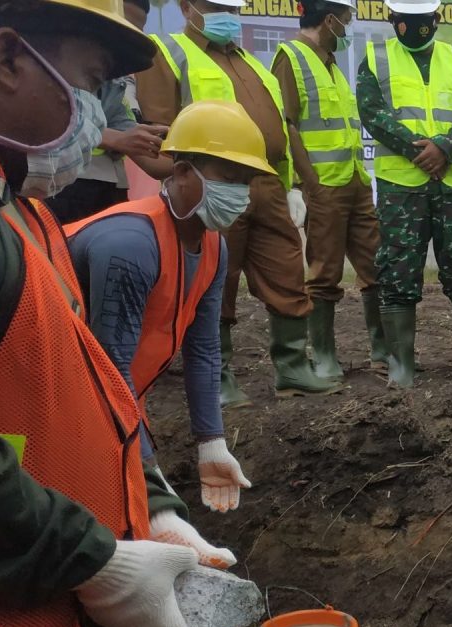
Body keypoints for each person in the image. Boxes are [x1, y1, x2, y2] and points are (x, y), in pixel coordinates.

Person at [0, 1, 238, 627]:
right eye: (93, 83)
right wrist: (95, 562)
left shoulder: (26, 212)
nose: (100, 115)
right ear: (10, 58)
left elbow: (90, 386)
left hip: (54, 585)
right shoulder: (18, 227)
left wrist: (149, 505)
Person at [137, 0, 343, 407]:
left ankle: (292, 366)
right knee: (217, 276)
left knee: (287, 267)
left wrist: (291, 186)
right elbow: (160, 131)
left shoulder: (250, 60)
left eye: (229, 6)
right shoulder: (171, 53)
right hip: (212, 183)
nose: (224, 14)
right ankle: (216, 374)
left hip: (264, 181)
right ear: (187, 6)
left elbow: (278, 124)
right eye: (214, 6)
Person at [65, 100, 266, 515]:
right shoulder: (130, 244)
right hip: (61, 397)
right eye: (228, 178)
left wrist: (211, 442)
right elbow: (110, 367)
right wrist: (154, 492)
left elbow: (205, 349)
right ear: (181, 172)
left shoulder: (213, 246)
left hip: (109, 398)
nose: (239, 194)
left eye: (246, 181)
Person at [358, 0, 452, 387]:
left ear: (437, 19)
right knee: (397, 270)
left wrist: (446, 148)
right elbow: (372, 113)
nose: (416, 28)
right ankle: (401, 363)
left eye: (423, 21)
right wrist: (421, 151)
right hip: (402, 186)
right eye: (407, 21)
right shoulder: (374, 58)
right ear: (393, 20)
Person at [273, 0, 387, 382]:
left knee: (375, 264)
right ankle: (323, 355)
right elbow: (287, 125)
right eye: (347, 21)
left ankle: (381, 350)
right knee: (324, 272)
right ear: (329, 20)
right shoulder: (291, 58)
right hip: (324, 185)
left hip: (354, 181)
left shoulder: (332, 63)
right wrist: (308, 183)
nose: (348, 28)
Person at [44, 0, 170, 224]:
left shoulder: (117, 85)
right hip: (56, 189)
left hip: (106, 195)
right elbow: (43, 118)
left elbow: (151, 160)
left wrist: (187, 154)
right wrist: (116, 139)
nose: (124, 42)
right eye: (120, 26)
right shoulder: (43, 62)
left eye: (134, 33)